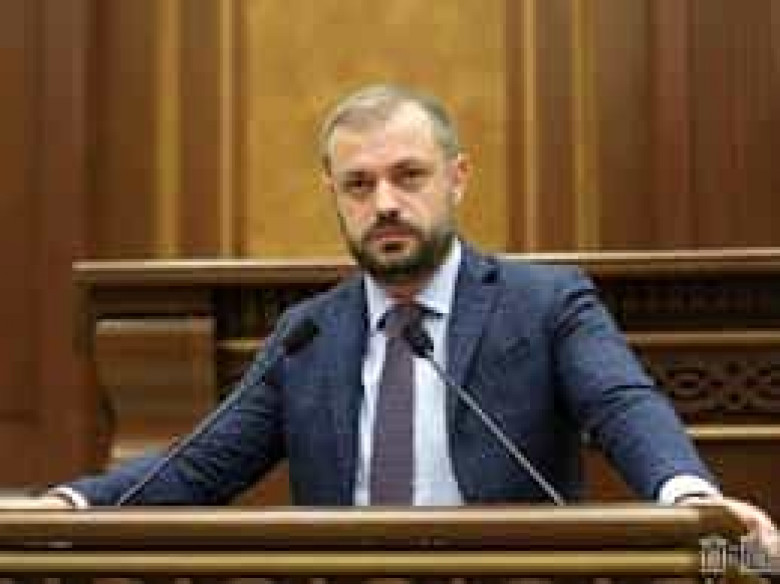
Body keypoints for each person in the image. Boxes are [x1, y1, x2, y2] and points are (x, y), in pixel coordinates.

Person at [19, 83, 777, 548]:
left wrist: (690, 498)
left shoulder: (545, 304)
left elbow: (622, 404)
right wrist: (66, 505)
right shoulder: (309, 334)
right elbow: (198, 468)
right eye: (359, 184)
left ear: (457, 178)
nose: (384, 202)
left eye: (408, 176)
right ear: (334, 195)